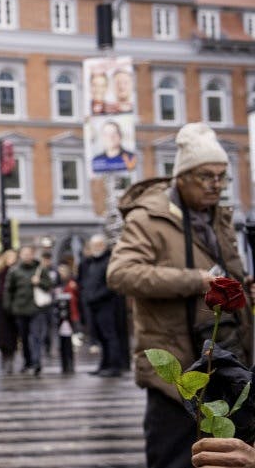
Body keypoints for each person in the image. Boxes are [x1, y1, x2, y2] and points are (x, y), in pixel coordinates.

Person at [108, 122, 252, 468]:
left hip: (227, 365)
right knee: (175, 457)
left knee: (226, 458)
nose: (216, 184)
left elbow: (230, 273)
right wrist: (196, 280)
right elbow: (120, 273)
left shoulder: (218, 217)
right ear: (182, 177)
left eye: (221, 176)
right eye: (206, 176)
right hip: (176, 372)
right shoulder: (148, 218)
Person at [4, 245, 53, 376]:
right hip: (20, 309)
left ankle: (36, 362)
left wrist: (39, 282)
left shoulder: (41, 269)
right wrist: (8, 307)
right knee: (24, 338)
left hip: (37, 309)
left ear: (33, 255)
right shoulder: (14, 271)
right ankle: (27, 361)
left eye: (29, 253)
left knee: (36, 336)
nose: (26, 256)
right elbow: (8, 290)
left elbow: (49, 285)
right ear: (20, 255)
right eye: (24, 254)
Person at [78, 234, 123, 377]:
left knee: (109, 335)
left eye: (99, 245)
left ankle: (114, 366)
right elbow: (83, 282)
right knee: (100, 337)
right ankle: (104, 365)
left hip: (106, 304)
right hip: (92, 305)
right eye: (93, 245)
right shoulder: (89, 263)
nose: (96, 248)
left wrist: (95, 296)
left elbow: (112, 285)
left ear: (104, 246)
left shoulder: (109, 261)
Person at [0, 250, 18, 374]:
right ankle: (5, 358)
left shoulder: (16, 272)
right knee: (1, 335)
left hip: (13, 308)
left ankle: (10, 360)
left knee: (12, 335)